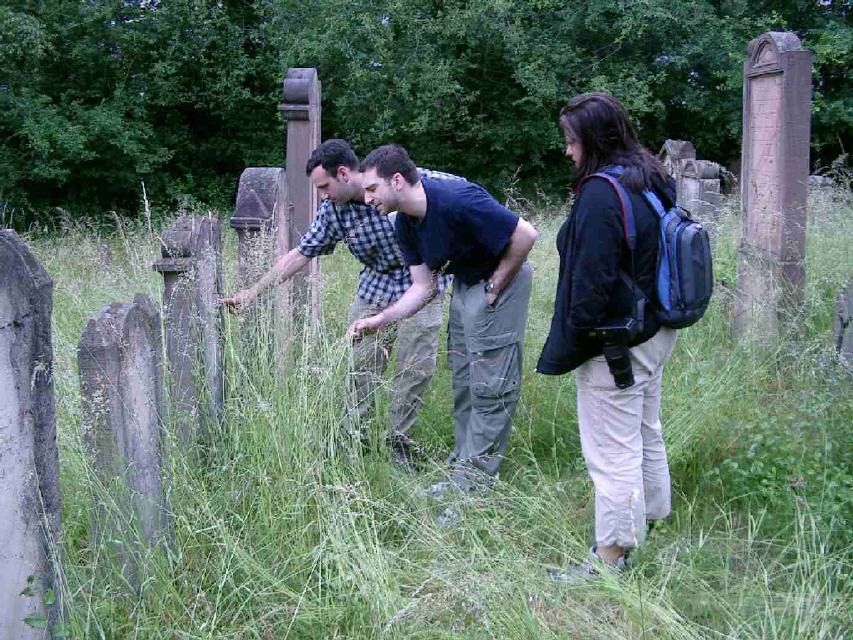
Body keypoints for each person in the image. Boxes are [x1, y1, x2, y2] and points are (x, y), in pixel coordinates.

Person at [219, 139, 458, 466]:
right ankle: (357, 446)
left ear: (344, 173)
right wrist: (253, 292)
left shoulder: (403, 181)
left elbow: (463, 196)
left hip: (423, 286)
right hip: (375, 287)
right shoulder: (334, 212)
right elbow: (301, 253)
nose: (322, 195)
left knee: (414, 370)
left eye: (324, 186)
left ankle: (398, 448)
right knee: (359, 368)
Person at [536, 93, 678, 580]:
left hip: (616, 344)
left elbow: (591, 283)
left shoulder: (600, 194)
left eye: (572, 141)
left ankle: (611, 558)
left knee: (612, 452)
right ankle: (651, 521)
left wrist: (578, 339)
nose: (568, 151)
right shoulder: (651, 178)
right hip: (655, 331)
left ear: (592, 140)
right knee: (645, 431)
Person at [353, 144, 539, 492]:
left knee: (490, 385)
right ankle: (462, 466)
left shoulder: (457, 199)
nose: (366, 199)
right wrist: (381, 320)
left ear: (396, 180)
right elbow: (423, 288)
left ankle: (476, 483)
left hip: (500, 282)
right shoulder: (405, 225)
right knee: (465, 378)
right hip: (467, 284)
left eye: (372, 189)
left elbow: (526, 235)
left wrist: (495, 284)